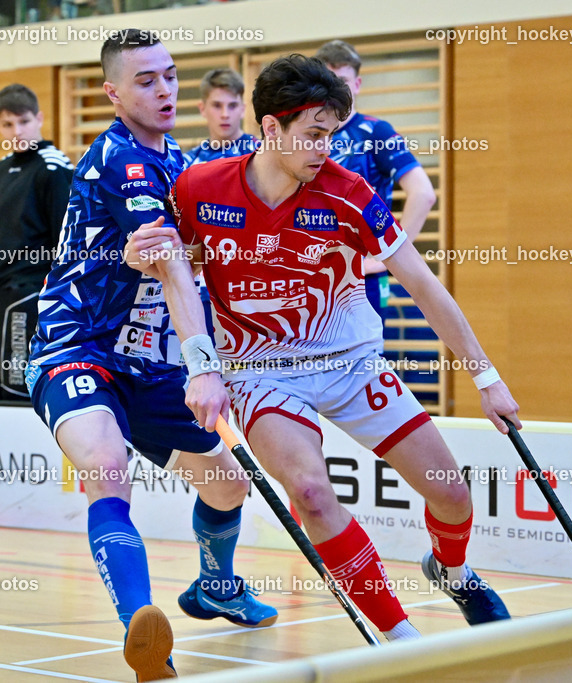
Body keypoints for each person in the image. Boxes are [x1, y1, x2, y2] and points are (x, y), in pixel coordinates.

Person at [125, 54, 520, 641]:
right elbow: (170, 267)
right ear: (271, 129)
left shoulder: (350, 193)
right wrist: (141, 259)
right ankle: (401, 641)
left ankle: (455, 571)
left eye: (332, 134)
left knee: (451, 490)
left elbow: (425, 286)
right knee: (310, 492)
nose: (325, 149)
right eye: (313, 135)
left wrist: (487, 378)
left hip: (350, 363)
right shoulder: (200, 190)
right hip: (262, 371)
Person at [24, 30, 277, 681]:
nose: (164, 90)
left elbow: (192, 260)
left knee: (227, 483)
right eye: (145, 81)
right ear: (112, 92)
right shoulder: (121, 160)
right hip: (73, 346)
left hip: (146, 363)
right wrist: (203, 365)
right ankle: (145, 633)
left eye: (168, 76)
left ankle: (215, 586)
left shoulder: (181, 165)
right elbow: (165, 263)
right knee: (107, 466)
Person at [0, 84, 73, 402]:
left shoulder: (54, 168)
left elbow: (65, 246)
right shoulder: (1, 169)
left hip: (29, 298)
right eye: (7, 125)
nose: (16, 131)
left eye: (23, 122)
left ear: (39, 118)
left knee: (17, 392)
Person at [316, 40, 437, 352]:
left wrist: (387, 256)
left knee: (361, 380)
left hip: (361, 280)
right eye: (325, 83)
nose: (332, 92)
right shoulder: (305, 135)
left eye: (340, 83)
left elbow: (423, 194)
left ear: (356, 84)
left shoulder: (376, 132)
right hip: (312, 275)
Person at [183, 68, 257, 166]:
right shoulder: (188, 163)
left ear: (242, 109)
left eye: (232, 105)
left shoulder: (260, 154)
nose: (225, 114)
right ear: (202, 109)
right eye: (217, 105)